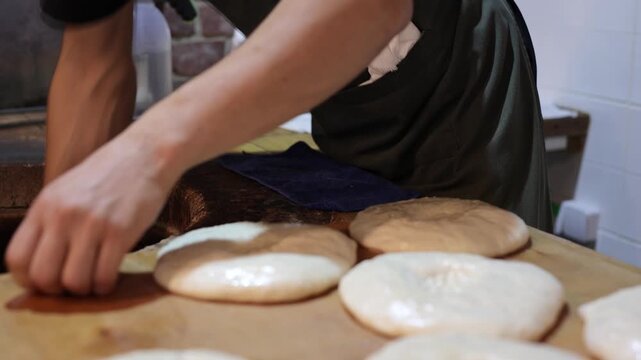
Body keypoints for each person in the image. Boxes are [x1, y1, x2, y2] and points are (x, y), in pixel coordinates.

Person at [6, 0, 551, 296]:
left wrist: (145, 153)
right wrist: (63, 239)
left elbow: (368, 5)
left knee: (475, 299)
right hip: (345, 88)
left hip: (450, 78)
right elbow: (93, 60)